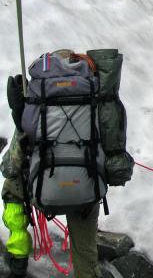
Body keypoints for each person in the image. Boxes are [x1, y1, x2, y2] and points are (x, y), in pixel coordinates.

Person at [2, 61, 102, 278]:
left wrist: (19, 116)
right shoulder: (94, 101)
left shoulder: (37, 106)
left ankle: (18, 255)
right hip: (85, 193)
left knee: (12, 185)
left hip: (42, 191)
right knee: (86, 256)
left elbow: (11, 165)